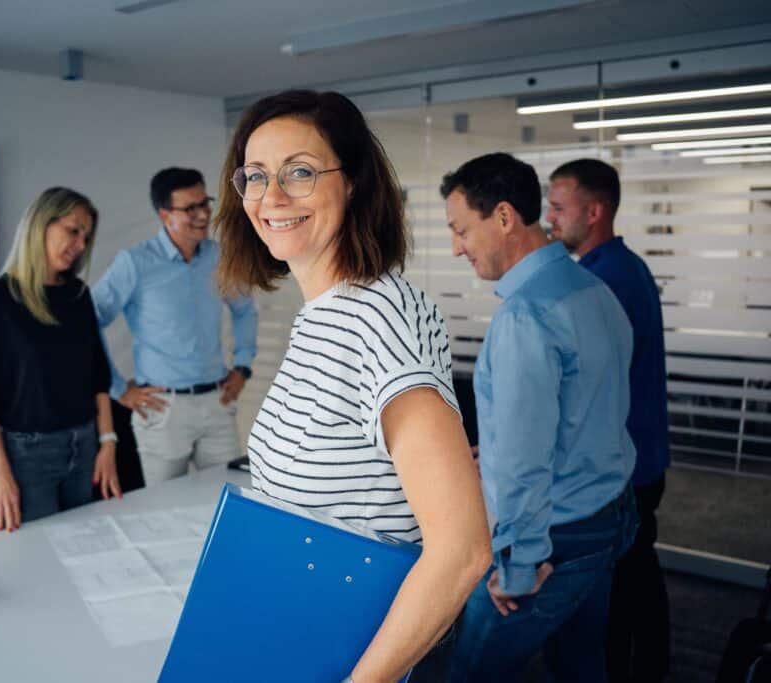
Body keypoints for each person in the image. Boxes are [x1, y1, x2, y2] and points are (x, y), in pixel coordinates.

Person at [215, 89, 492, 683]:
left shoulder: (381, 316)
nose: (272, 196)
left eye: (301, 172)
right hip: (304, 630)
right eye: (256, 175)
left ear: (355, 183)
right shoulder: (322, 313)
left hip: (359, 652)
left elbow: (462, 550)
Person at [441, 153, 639, 682]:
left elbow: (526, 461)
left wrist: (520, 565)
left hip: (552, 540)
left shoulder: (525, 315)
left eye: (461, 230)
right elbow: (591, 411)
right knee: (580, 665)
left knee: (467, 672)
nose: (456, 246)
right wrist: (500, 446)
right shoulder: (595, 292)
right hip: (608, 517)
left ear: (504, 217)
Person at [548, 158, 671, 681]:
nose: (549, 218)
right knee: (638, 570)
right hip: (642, 458)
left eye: (558, 207)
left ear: (594, 211)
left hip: (626, 465)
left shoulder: (603, 284)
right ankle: (653, 665)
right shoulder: (622, 268)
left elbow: (586, 392)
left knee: (619, 590)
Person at [0, 187, 121, 533]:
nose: (80, 244)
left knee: (86, 547)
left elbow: (98, 376)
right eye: (73, 230)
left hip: (84, 446)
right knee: (39, 557)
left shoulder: (78, 295)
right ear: (40, 225)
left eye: (86, 236)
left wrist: (108, 443)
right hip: (27, 455)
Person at [92, 168, 257, 485]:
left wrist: (243, 366)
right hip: (163, 409)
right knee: (163, 512)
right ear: (165, 215)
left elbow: (244, 310)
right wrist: (118, 388)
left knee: (231, 499)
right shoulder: (134, 262)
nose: (203, 214)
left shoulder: (219, 257)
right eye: (190, 208)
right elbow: (90, 322)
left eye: (204, 203)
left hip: (217, 402)